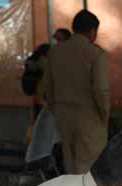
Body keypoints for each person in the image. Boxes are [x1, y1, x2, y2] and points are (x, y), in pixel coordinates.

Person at [45, 10, 110, 174]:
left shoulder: (55, 52)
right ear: (93, 31)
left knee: (69, 166)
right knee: (88, 169)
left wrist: (56, 109)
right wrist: (104, 114)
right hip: (89, 116)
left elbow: (48, 87)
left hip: (63, 115)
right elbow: (101, 90)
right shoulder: (96, 54)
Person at [21, 28, 72, 119]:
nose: (56, 42)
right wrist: (35, 66)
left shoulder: (70, 55)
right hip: (42, 96)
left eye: (59, 40)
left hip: (60, 99)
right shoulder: (44, 49)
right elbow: (29, 63)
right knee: (41, 121)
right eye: (55, 39)